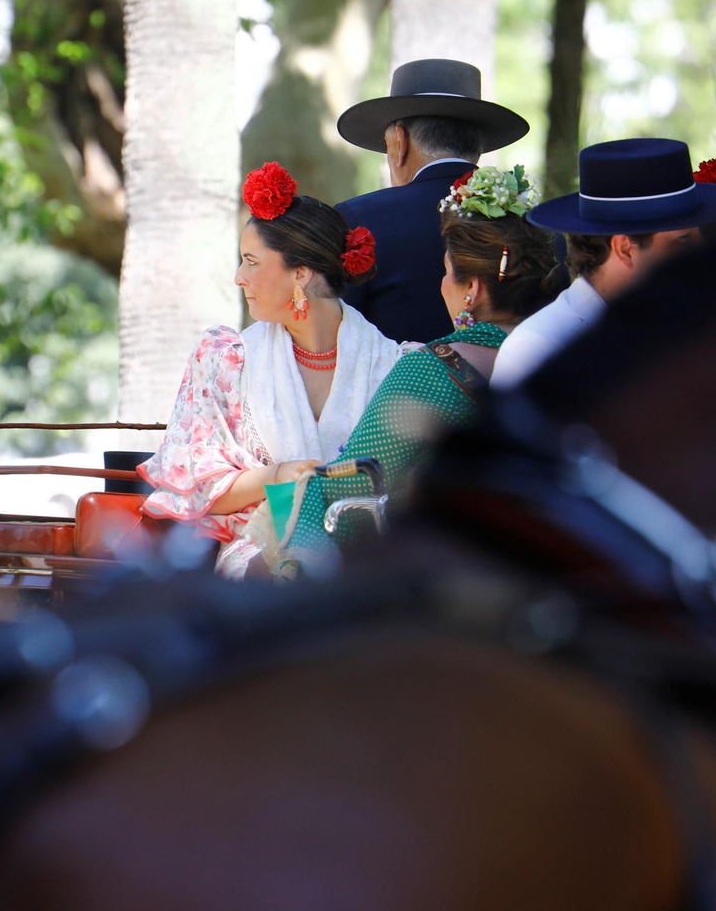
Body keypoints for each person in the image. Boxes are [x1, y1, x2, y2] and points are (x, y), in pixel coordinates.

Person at [267, 166, 563, 572]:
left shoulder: (431, 371)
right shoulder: (568, 361)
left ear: (471, 291)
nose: (443, 284)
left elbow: (349, 491)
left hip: (445, 590)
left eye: (446, 272)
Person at [138, 162, 403, 578]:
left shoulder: (397, 366)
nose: (239, 277)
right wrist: (277, 475)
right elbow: (202, 487)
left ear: (301, 273)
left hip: (369, 558)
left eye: (251, 261)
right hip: (259, 556)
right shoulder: (227, 358)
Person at [490, 138, 716, 391]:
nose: (701, 250)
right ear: (624, 248)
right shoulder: (539, 348)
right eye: (683, 240)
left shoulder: (686, 326)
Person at [335, 59, 531, 344]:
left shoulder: (360, 218)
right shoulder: (529, 221)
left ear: (400, 143)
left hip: (396, 387)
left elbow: (339, 333)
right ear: (476, 148)